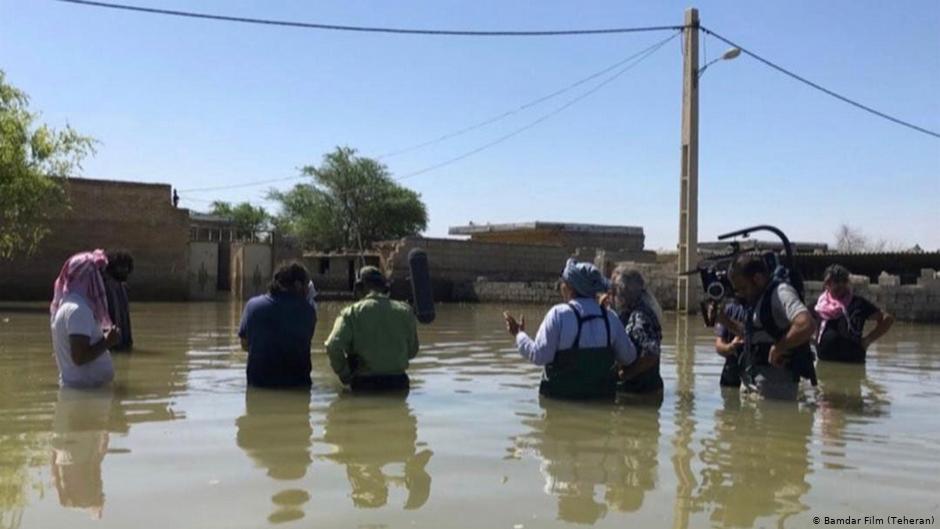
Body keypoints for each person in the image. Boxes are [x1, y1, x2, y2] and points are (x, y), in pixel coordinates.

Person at [504, 258, 636, 400]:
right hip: (600, 400)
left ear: (569, 287)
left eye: (563, 282)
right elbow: (629, 357)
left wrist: (519, 334)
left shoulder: (558, 315)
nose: (561, 286)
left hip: (560, 402)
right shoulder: (611, 319)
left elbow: (539, 356)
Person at [716, 254, 817, 400]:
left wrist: (779, 348)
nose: (740, 294)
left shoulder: (781, 293)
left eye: (743, 288)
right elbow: (753, 334)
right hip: (752, 383)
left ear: (757, 279)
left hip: (776, 387)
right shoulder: (757, 299)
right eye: (737, 290)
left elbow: (807, 324)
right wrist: (724, 321)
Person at [325, 266, 419, 392]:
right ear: (385, 287)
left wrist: (345, 373)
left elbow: (333, 346)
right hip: (398, 383)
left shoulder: (351, 313)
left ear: (358, 288)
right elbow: (412, 351)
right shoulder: (406, 311)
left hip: (364, 384)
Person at [50, 250, 122, 389]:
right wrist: (108, 341)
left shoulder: (68, 305)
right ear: (88, 278)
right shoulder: (78, 310)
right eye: (98, 276)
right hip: (87, 393)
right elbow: (79, 357)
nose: (101, 281)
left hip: (85, 392)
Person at [238, 263, 316, 388]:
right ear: (297, 285)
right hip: (298, 387)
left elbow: (245, 345)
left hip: (259, 386)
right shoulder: (308, 311)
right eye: (307, 285)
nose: (308, 290)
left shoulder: (252, 306)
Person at [814, 264, 894, 363]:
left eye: (842, 281)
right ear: (826, 284)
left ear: (846, 283)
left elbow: (887, 319)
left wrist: (868, 340)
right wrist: (814, 342)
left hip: (853, 362)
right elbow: (801, 323)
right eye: (834, 281)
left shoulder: (858, 303)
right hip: (825, 363)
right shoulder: (819, 306)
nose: (838, 285)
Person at [607, 266, 664, 394]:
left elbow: (651, 354)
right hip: (646, 389)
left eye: (612, 292)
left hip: (640, 391)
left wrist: (624, 375)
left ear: (622, 294)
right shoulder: (634, 311)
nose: (609, 296)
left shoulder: (639, 317)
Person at [102, 250, 134, 352]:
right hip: (108, 344)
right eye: (121, 268)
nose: (124, 271)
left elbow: (124, 318)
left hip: (121, 341)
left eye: (126, 268)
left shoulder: (121, 286)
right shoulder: (103, 286)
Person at [714, 299, 748, 388]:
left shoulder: (764, 304)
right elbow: (718, 345)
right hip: (732, 373)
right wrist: (730, 347)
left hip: (757, 373)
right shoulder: (730, 309)